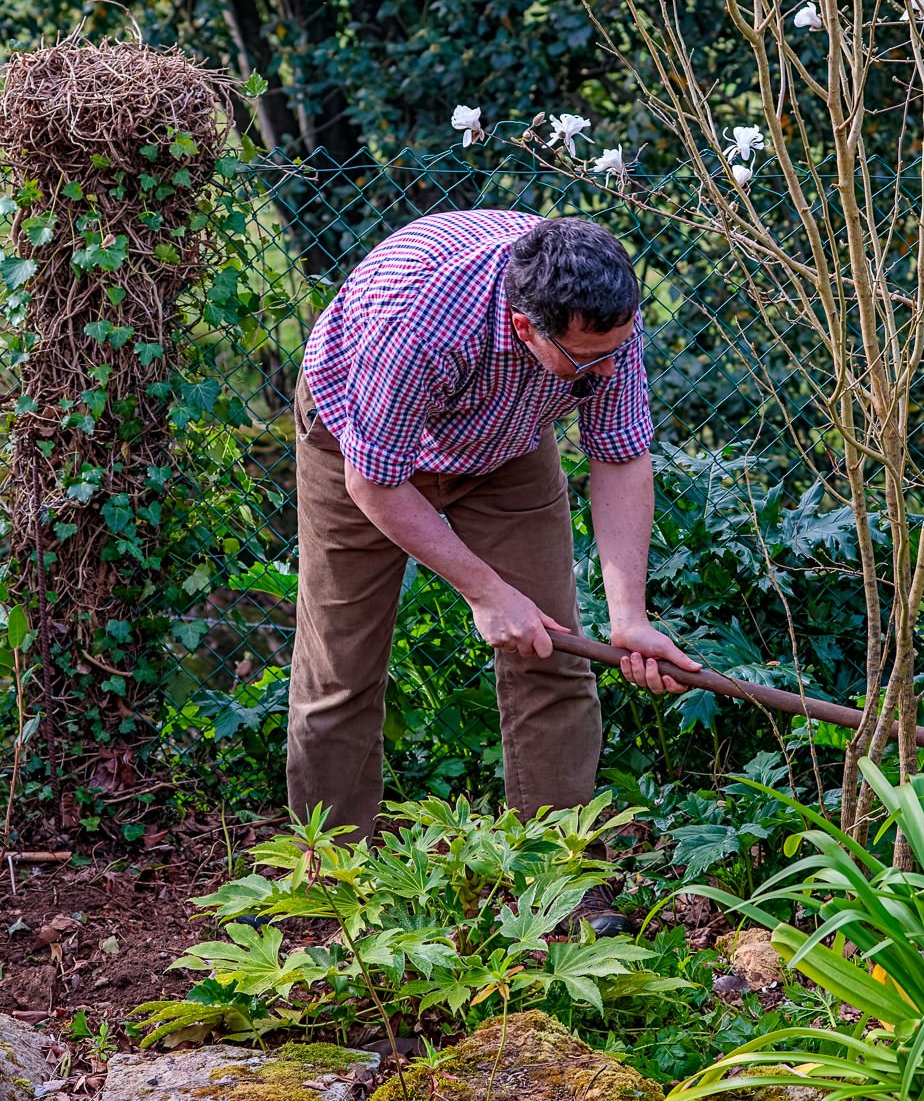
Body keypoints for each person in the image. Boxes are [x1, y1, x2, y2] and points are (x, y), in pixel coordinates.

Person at [285, 209, 698, 891]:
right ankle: (332, 888)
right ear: (524, 327)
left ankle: (558, 881)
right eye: (588, 360)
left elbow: (621, 457)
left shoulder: (605, 326)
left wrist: (630, 618)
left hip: (503, 441)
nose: (608, 365)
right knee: (342, 672)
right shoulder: (417, 322)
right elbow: (375, 482)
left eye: (616, 348)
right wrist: (485, 591)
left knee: (552, 651)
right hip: (358, 447)